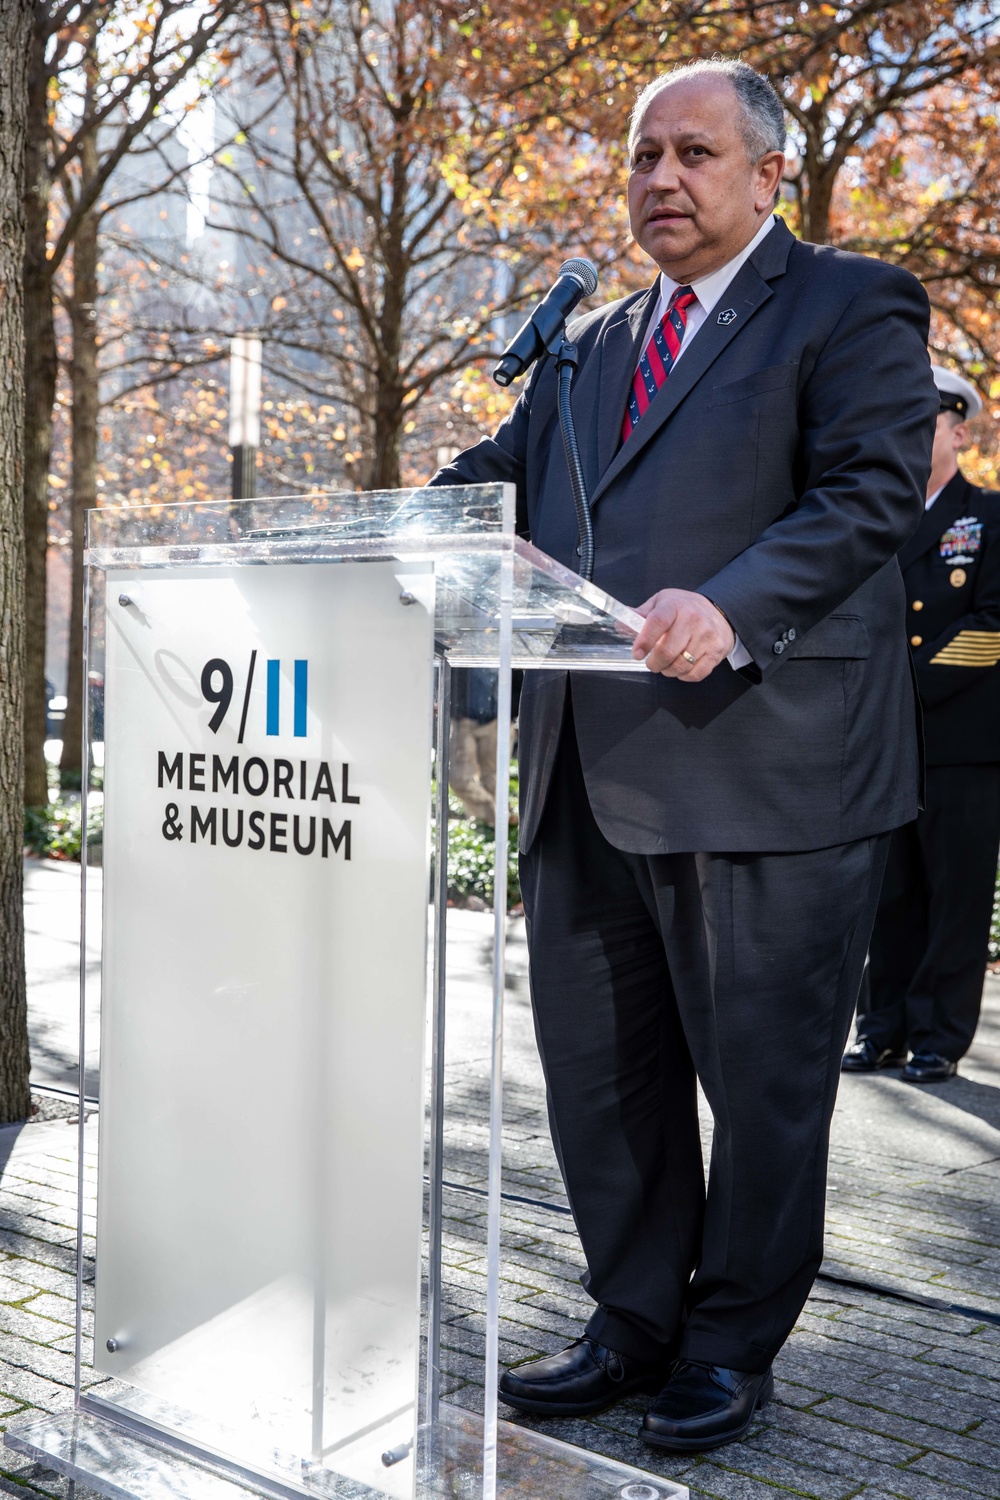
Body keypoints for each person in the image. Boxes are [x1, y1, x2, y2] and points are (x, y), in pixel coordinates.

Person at [431, 58, 937, 1453]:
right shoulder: (587, 347)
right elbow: (504, 480)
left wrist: (736, 605)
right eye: (644, 155)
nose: (660, 179)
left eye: (693, 153)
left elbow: (870, 489)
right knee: (605, 1081)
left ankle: (730, 1348)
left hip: (767, 769)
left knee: (763, 1089)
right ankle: (631, 1320)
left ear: (767, 172)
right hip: (584, 770)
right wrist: (409, 520)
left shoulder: (852, 305)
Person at [844, 367, 1000, 1084]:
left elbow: (993, 626)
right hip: (882, 742)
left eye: (928, 422)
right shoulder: (873, 515)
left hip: (959, 742)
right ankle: (881, 1031)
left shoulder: (989, 518)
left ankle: (939, 1038)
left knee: (954, 898)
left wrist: (899, 684)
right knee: (889, 896)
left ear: (959, 432)